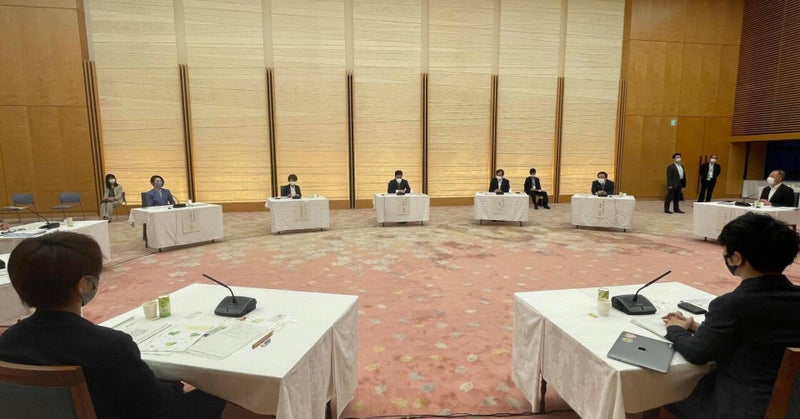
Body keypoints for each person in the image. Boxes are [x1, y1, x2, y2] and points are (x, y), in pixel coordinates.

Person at [0, 232, 245, 419]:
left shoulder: (8, 341)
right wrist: (172, 384)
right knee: (240, 401)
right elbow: (157, 406)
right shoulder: (109, 345)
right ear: (85, 284)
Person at [662, 213, 800, 418]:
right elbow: (760, 335)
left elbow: (696, 353)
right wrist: (699, 328)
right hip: (791, 405)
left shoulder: (732, 305)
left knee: (658, 392)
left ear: (736, 258)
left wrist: (674, 329)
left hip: (740, 407)